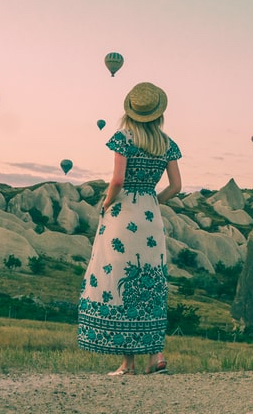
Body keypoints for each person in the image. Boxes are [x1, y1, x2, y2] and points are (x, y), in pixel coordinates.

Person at [78, 81, 182, 376]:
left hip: (123, 216)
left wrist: (106, 204)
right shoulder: (167, 143)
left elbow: (117, 180)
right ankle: (156, 357)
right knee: (151, 281)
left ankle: (128, 364)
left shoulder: (123, 138)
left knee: (121, 279)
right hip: (150, 217)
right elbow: (176, 186)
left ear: (131, 111)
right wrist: (153, 200)